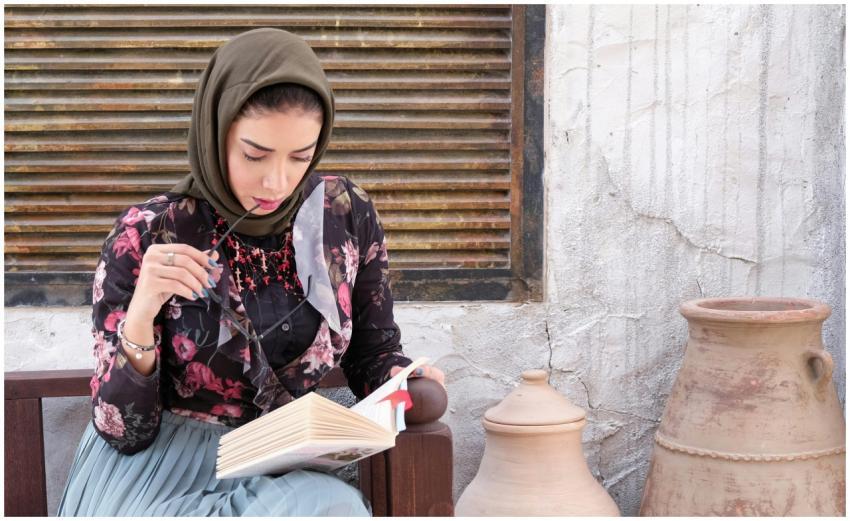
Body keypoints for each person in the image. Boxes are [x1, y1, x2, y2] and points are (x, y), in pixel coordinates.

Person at [57, 28, 445, 517]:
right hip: (160, 476)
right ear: (214, 130)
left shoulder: (345, 215)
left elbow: (373, 350)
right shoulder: (150, 233)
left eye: (301, 157)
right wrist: (140, 318)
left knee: (330, 506)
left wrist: (401, 378)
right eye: (254, 155)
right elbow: (122, 431)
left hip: (283, 468)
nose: (276, 181)